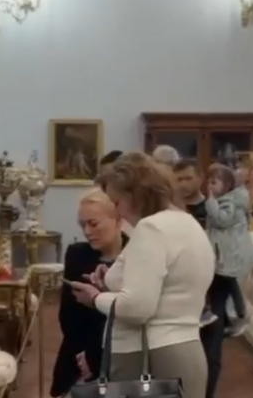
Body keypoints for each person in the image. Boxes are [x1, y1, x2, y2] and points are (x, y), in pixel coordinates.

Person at [70, 152, 214, 398]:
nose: (118, 212)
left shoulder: (152, 228)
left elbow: (136, 307)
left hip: (152, 355)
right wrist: (113, 279)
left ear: (134, 194)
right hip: (185, 347)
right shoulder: (187, 223)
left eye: (117, 203)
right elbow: (169, 285)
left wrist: (95, 298)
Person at [50, 188, 129, 398]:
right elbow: (68, 316)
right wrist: (84, 356)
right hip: (77, 357)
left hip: (119, 357)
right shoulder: (77, 255)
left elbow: (128, 315)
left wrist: (96, 356)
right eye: (82, 224)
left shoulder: (136, 254)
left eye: (93, 224)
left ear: (118, 220)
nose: (87, 231)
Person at [203, 165, 253, 397]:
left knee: (229, 284)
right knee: (227, 287)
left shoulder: (228, 203)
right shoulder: (231, 200)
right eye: (209, 181)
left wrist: (210, 201)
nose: (210, 186)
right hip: (223, 254)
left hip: (227, 255)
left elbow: (221, 220)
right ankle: (232, 316)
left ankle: (239, 314)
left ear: (226, 185)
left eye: (214, 182)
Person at [173, 159, 217, 327]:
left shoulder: (211, 209)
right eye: (179, 179)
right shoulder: (170, 210)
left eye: (188, 178)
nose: (183, 184)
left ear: (200, 178)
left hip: (210, 276)